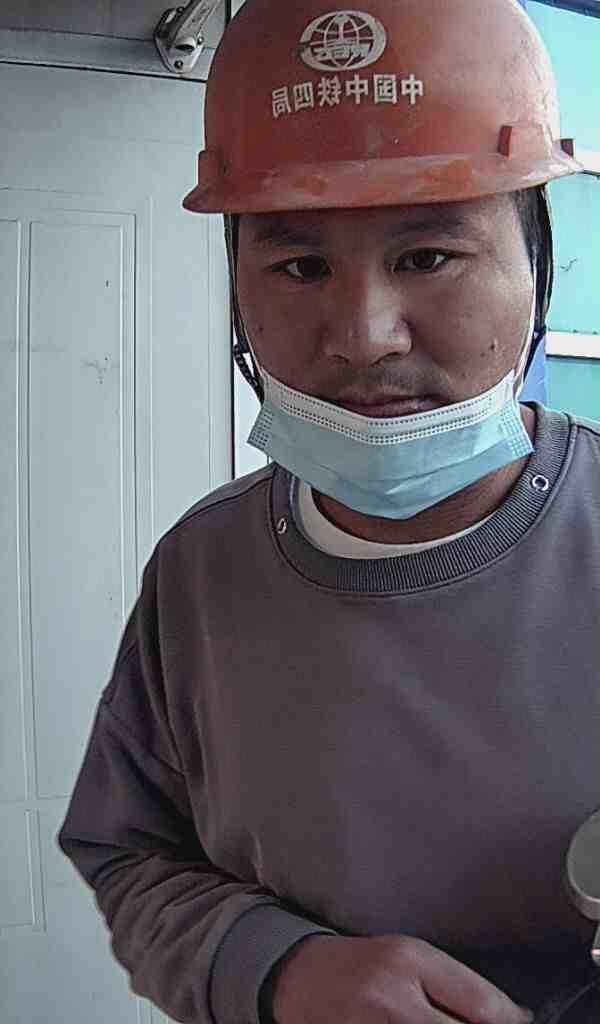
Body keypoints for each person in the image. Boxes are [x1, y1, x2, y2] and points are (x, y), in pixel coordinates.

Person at [58, 1, 600, 1022]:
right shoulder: (200, 572)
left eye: (428, 256)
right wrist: (275, 968)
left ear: (537, 265)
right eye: (300, 267)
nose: (365, 334)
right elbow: (127, 853)